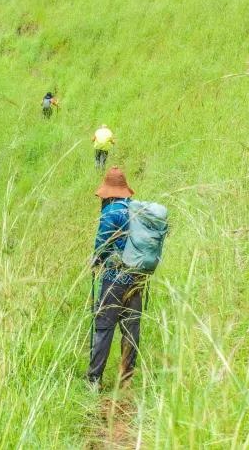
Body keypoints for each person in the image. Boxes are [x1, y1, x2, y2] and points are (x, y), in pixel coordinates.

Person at [85, 166, 142, 391]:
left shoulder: (110, 213)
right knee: (131, 328)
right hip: (137, 277)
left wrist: (96, 263)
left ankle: (94, 379)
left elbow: (102, 245)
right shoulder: (136, 209)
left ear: (108, 193)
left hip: (114, 277)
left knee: (104, 326)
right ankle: (126, 379)